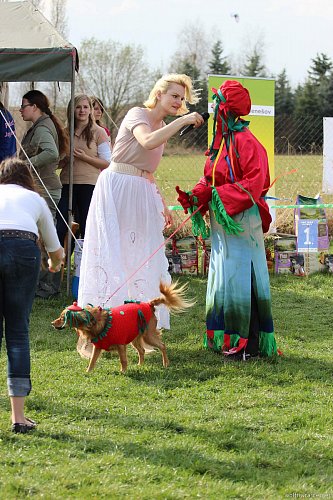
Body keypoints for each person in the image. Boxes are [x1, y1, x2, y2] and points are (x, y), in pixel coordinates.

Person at [78, 73, 204, 330]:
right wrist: (183, 121)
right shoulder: (138, 115)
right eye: (174, 96)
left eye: (182, 98)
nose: (178, 101)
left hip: (141, 190)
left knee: (142, 253)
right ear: (159, 94)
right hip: (118, 187)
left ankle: (138, 322)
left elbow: (148, 170)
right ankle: (106, 319)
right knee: (116, 250)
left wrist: (163, 204)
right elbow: (146, 141)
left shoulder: (161, 128)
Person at [177, 80, 278, 359]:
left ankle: (251, 344)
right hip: (223, 223)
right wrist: (196, 196)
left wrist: (219, 196)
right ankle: (229, 337)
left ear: (226, 107)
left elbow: (255, 183)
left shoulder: (247, 142)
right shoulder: (220, 143)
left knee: (244, 277)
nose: (213, 108)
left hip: (242, 219)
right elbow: (210, 178)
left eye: (216, 102)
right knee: (225, 278)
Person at [0, 158, 64, 433]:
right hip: (23, 251)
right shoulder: (34, 199)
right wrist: (54, 264)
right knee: (17, 334)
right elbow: (55, 248)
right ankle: (18, 418)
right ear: (27, 178)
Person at [19, 90, 69, 298]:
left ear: (35, 107)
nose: (21, 110)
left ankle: (48, 286)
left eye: (24, 105)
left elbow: (52, 153)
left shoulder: (42, 129)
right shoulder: (41, 126)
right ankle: (42, 284)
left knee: (45, 239)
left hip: (46, 190)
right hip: (42, 189)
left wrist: (25, 165)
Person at [56, 94, 111, 246]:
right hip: (67, 184)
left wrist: (85, 157)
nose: (82, 110)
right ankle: (59, 264)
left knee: (88, 227)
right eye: (78, 107)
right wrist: (65, 159)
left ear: (91, 110)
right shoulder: (65, 132)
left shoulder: (99, 132)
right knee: (61, 226)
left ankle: (86, 265)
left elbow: (107, 162)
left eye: (85, 107)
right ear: (71, 110)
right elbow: (56, 164)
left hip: (89, 185)